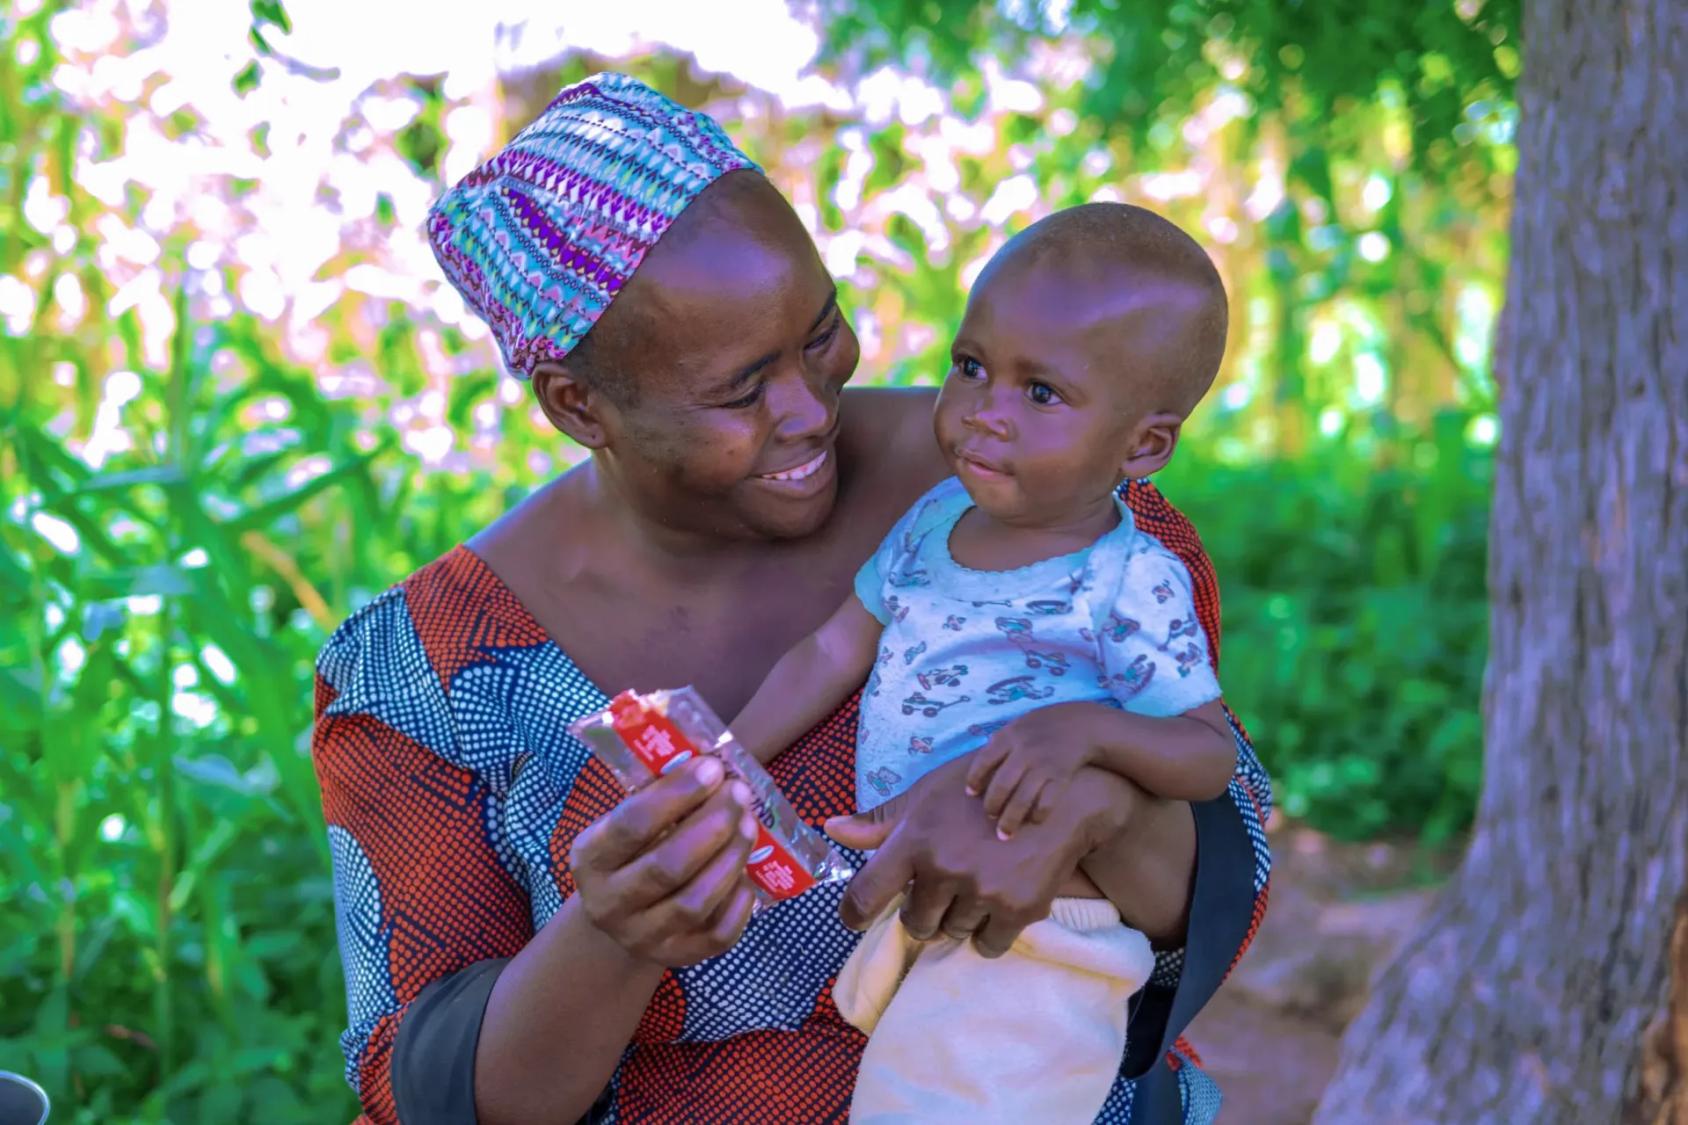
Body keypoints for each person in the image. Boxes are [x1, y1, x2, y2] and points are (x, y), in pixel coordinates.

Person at [311, 73, 1272, 1125]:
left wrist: (1085, 806)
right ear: (578, 406)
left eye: (820, 334)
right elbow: (427, 1090)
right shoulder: (424, 675)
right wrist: (611, 934)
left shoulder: (1048, 500)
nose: (812, 410)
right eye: (738, 389)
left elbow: (1215, 882)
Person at [728, 202, 1237, 1122]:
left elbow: (1208, 755)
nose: (983, 414)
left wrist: (1082, 730)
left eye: (1040, 393)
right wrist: (724, 756)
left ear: (1144, 444)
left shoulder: (1129, 579)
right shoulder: (933, 524)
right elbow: (834, 647)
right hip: (934, 914)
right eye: (971, 368)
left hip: (1042, 933)